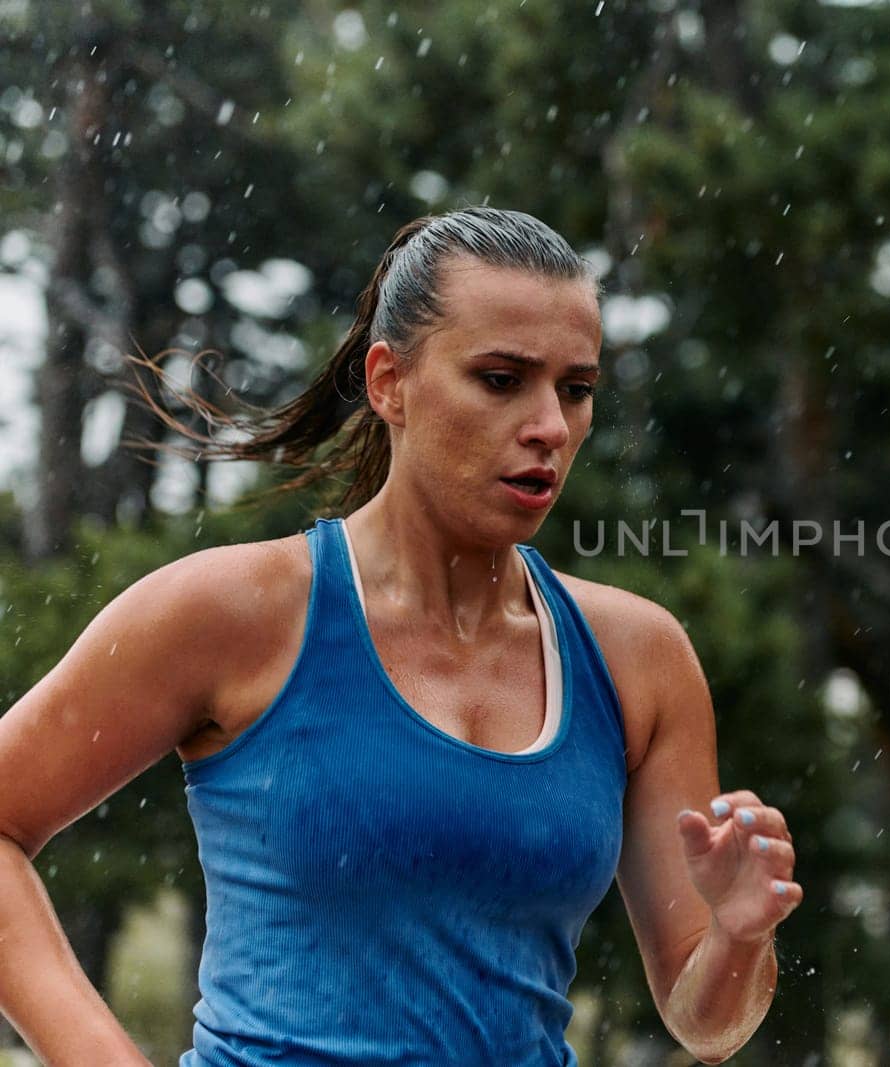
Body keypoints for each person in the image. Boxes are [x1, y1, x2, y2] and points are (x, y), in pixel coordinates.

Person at [0, 206, 803, 1064]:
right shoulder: (231, 612)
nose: (550, 427)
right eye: (501, 379)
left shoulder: (638, 657)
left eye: (576, 389)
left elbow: (705, 1023)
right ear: (389, 382)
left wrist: (740, 931)